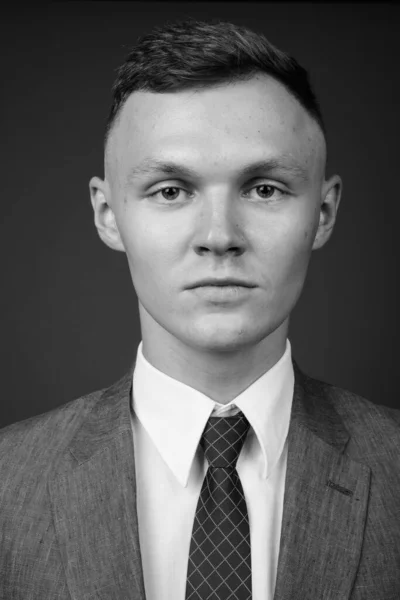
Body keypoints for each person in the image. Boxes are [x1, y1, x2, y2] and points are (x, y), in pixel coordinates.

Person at [0, 16, 399, 600]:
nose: (219, 236)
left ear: (324, 212)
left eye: (263, 188)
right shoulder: (8, 484)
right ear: (108, 213)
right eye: (171, 190)